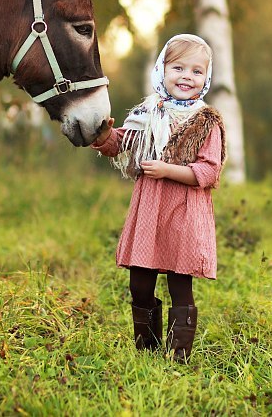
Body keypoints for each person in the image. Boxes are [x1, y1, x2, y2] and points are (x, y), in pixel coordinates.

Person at [91, 33, 226, 362]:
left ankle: (178, 356)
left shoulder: (206, 121)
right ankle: (147, 350)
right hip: (150, 210)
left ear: (206, 79)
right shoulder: (147, 111)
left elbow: (208, 172)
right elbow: (122, 143)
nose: (186, 77)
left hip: (183, 212)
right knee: (140, 282)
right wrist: (103, 135)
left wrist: (167, 170)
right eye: (178, 67)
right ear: (161, 70)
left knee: (180, 284)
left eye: (196, 71)